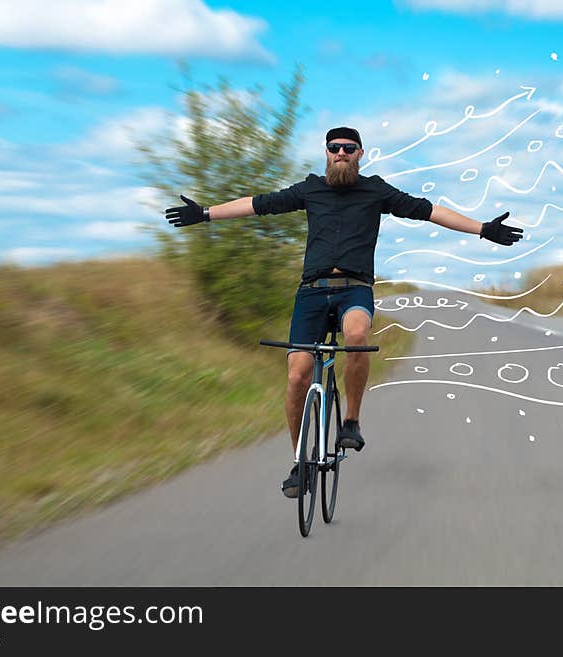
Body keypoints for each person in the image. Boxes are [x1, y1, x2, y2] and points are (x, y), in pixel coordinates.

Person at [165, 126, 523, 498]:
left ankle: (350, 421)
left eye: (348, 148)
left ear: (360, 153)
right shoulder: (310, 189)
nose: (340, 153)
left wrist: (482, 229)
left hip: (354, 290)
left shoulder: (376, 190)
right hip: (311, 293)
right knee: (297, 376)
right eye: (334, 147)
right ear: (326, 152)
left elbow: (429, 211)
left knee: (355, 336)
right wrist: (205, 214)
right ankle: (299, 464)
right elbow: (259, 204)